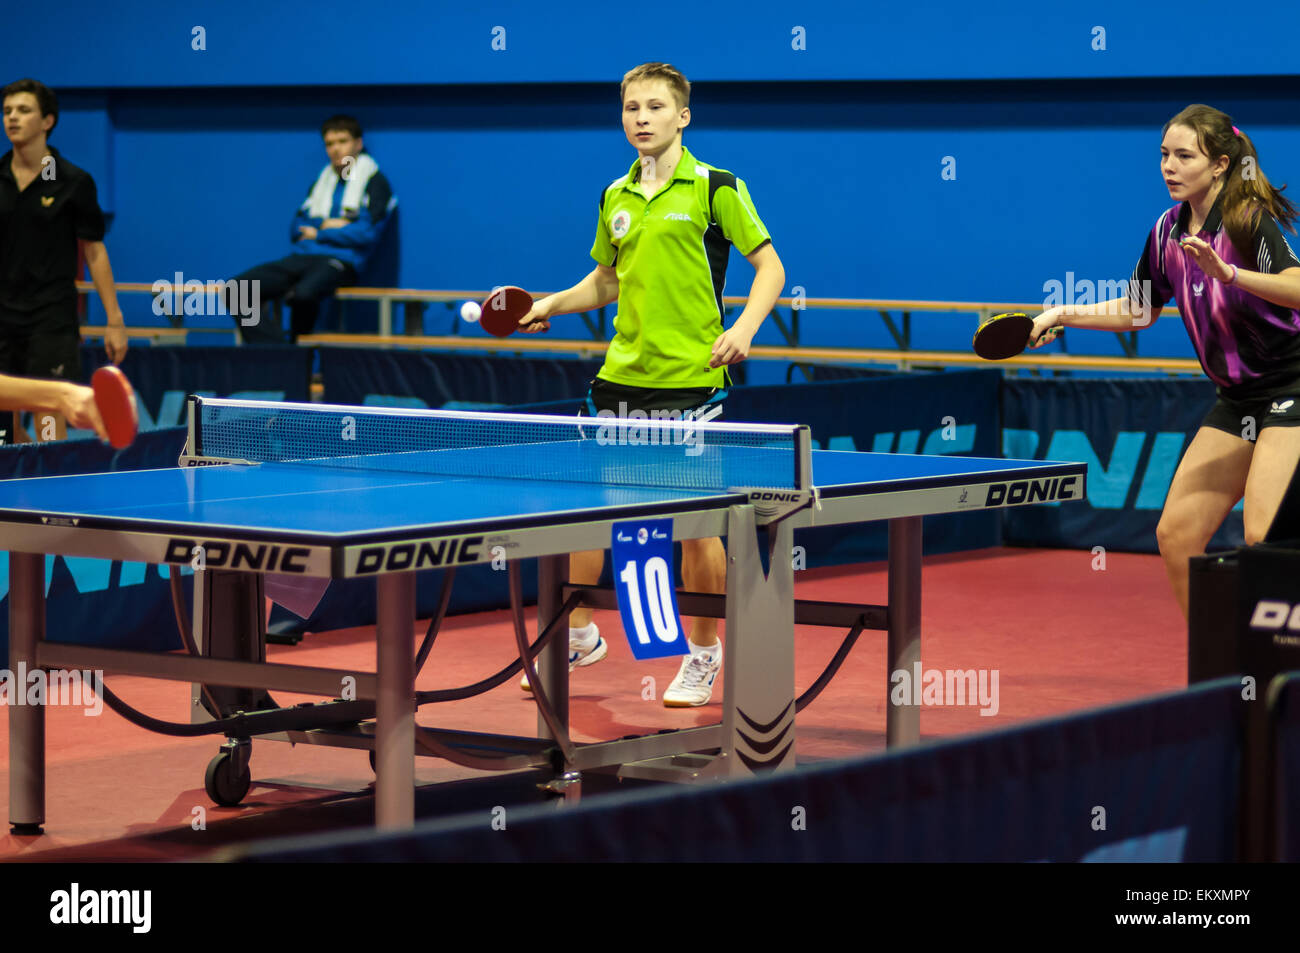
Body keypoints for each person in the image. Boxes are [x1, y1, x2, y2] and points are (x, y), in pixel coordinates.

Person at [517, 62, 786, 706]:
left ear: (682, 116)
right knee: (581, 517)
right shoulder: (615, 195)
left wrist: (745, 328)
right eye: (631, 108)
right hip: (618, 382)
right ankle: (578, 633)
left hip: (691, 385)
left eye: (656, 107)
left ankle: (702, 653)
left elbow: (770, 267)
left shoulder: (716, 188)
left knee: (694, 528)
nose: (641, 118)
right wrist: (551, 304)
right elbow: (607, 281)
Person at [1030, 104, 1300, 619]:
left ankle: (1279, 668)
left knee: (1265, 537)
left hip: (1293, 387)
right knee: (1176, 533)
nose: (1168, 167)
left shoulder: (1247, 222)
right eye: (1163, 155)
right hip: (1237, 398)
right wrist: (1061, 312)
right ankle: (1217, 662)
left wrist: (1231, 276)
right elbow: (1139, 309)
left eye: (1183, 156)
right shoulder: (1167, 231)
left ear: (1220, 165)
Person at [0, 78, 127, 443]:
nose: (12, 118)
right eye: (7, 111)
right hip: (1, 318)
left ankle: (48, 485)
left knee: (49, 423)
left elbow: (94, 250)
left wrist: (114, 320)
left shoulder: (71, 181)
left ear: (47, 121)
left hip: (50, 320)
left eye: (24, 111)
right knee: (4, 432)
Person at [230, 115, 395, 344]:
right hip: (303, 257)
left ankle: (296, 361)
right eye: (330, 143)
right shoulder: (322, 182)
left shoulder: (375, 183)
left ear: (358, 143)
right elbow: (296, 228)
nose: (336, 149)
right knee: (237, 291)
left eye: (342, 141)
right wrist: (330, 225)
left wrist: (320, 232)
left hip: (340, 262)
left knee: (303, 296)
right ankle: (277, 354)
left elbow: (366, 233)